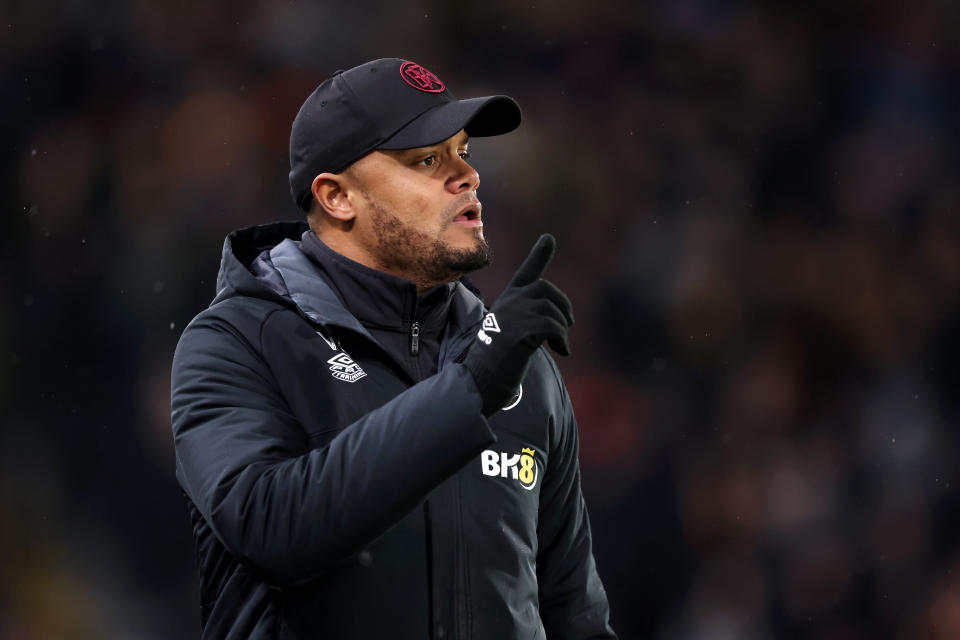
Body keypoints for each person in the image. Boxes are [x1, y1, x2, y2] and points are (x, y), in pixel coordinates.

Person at [170, 57, 616, 639]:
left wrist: (483, 373)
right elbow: (269, 527)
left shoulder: (521, 366)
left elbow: (573, 613)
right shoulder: (235, 342)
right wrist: (471, 387)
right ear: (337, 198)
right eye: (427, 159)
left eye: (465, 153)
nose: (466, 176)